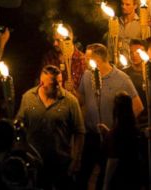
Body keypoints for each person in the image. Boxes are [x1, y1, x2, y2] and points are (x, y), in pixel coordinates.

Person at [77, 44, 143, 188]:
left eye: (87, 58)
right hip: (91, 136)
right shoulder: (87, 75)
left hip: (110, 139)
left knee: (106, 178)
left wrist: (117, 130)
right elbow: (80, 101)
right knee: (82, 176)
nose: (84, 61)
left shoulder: (122, 79)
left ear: (98, 60)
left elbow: (138, 107)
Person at [16, 65, 85, 190]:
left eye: (60, 82)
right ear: (42, 83)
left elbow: (79, 132)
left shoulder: (70, 101)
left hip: (60, 163)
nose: (58, 86)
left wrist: (75, 160)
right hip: (34, 162)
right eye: (54, 83)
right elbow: (19, 124)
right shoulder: (28, 97)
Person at [101, 94, 142, 190]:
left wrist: (105, 185)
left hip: (119, 179)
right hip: (133, 178)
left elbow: (112, 161)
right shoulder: (135, 129)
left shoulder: (116, 133)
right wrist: (108, 133)